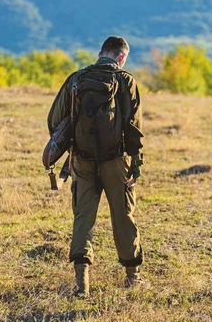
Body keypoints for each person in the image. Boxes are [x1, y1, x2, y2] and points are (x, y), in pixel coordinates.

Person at [47, 36, 144, 297]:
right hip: (116, 161)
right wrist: (135, 165)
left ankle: (82, 284)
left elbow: (55, 121)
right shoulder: (126, 81)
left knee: (83, 218)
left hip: (82, 160)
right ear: (122, 57)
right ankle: (133, 278)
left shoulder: (76, 79)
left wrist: (72, 148)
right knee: (123, 215)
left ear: (101, 53)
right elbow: (134, 128)